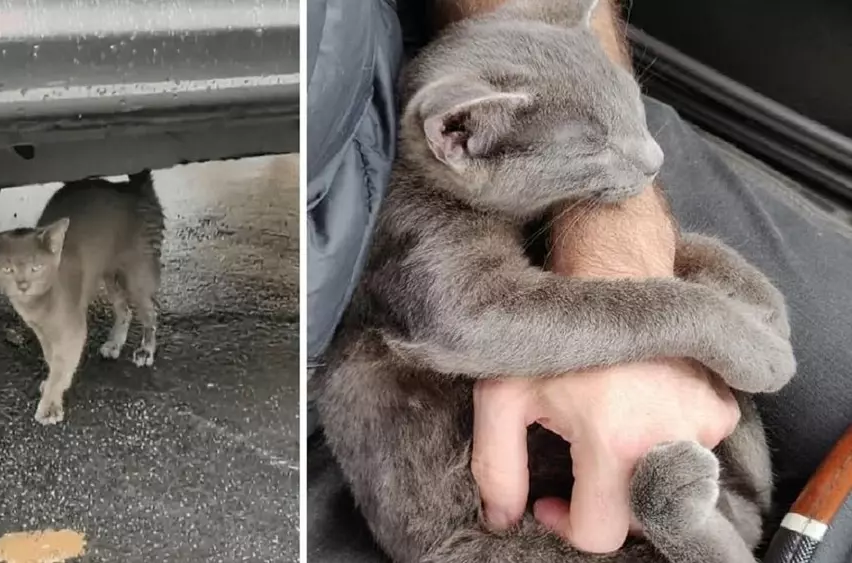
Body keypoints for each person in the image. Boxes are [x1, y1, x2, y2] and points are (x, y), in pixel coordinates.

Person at [306, 0, 852, 561]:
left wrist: (638, 260)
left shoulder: (524, 129)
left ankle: (707, 520)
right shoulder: (430, 209)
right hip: (479, 514)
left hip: (483, 85)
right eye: (609, 147)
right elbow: (473, 317)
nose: (652, 159)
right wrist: (694, 317)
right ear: (462, 137)